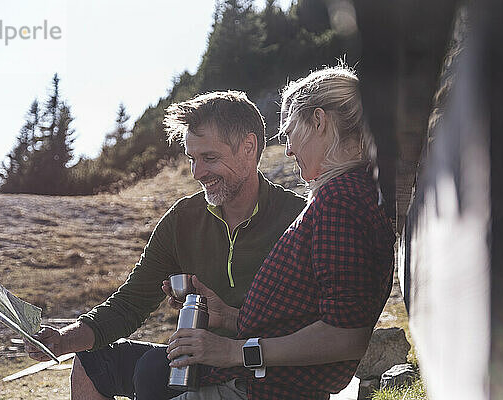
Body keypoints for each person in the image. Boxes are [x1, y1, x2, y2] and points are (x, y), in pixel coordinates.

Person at [25, 91, 306, 400]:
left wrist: (228, 319)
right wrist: (63, 341)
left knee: (151, 371)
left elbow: (312, 329)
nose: (198, 173)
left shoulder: (297, 218)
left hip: (261, 373)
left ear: (248, 148)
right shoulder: (183, 219)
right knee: (97, 362)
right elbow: (129, 304)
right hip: (196, 365)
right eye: (192, 159)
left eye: (209, 158)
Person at [165, 65, 396, 400]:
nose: (287, 150)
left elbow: (346, 337)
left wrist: (234, 352)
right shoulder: (351, 192)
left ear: (319, 122)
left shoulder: (340, 200)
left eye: (289, 133)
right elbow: (306, 315)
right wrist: (230, 317)